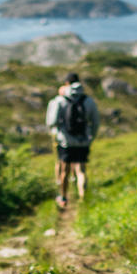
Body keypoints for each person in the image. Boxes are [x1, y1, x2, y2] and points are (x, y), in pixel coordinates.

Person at [45, 71, 99, 209]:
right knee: (81, 171)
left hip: (66, 142)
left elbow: (52, 122)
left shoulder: (60, 100)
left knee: (65, 171)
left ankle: (63, 198)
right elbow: (95, 122)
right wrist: (90, 138)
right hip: (83, 142)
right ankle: (83, 199)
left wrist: (58, 135)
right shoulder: (88, 100)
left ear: (66, 83)